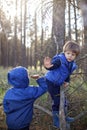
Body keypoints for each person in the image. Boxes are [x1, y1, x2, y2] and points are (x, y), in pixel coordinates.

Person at [44, 41, 80, 128]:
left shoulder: (71, 65)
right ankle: (56, 120)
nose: (70, 56)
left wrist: (67, 81)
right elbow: (53, 65)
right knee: (56, 101)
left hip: (58, 83)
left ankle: (65, 116)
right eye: (68, 53)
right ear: (64, 52)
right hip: (51, 82)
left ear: (75, 56)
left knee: (64, 101)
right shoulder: (59, 60)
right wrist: (48, 66)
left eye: (73, 55)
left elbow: (67, 74)